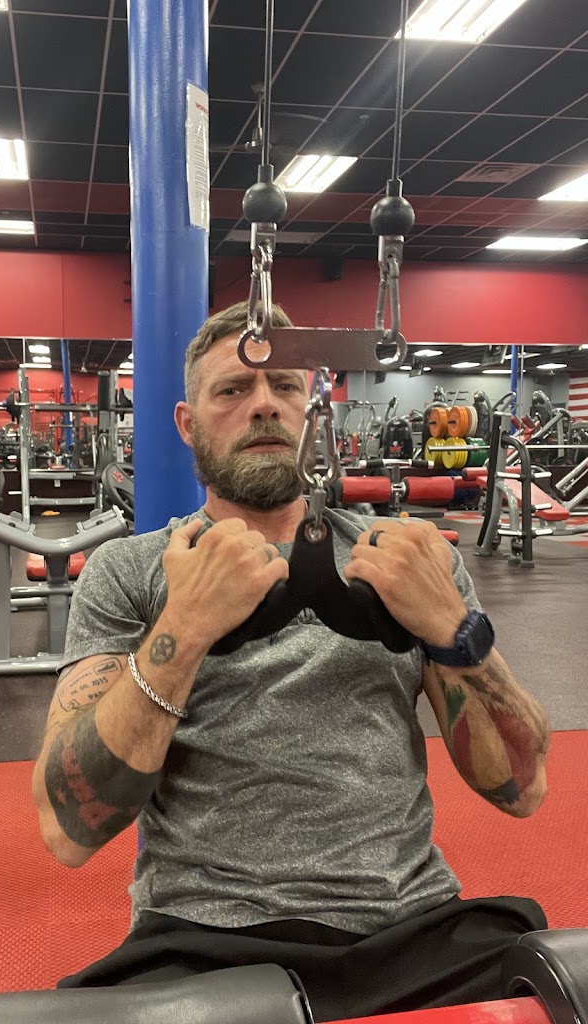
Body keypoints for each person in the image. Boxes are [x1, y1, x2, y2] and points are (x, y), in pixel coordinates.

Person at [32, 301, 551, 1022]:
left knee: (563, 982)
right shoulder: (131, 572)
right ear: (187, 423)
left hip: (409, 929)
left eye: (284, 385)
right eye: (232, 389)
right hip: (206, 941)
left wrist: (451, 629)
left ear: (316, 409)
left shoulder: (404, 560)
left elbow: (523, 789)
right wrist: (184, 626)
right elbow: (68, 827)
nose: (264, 405)